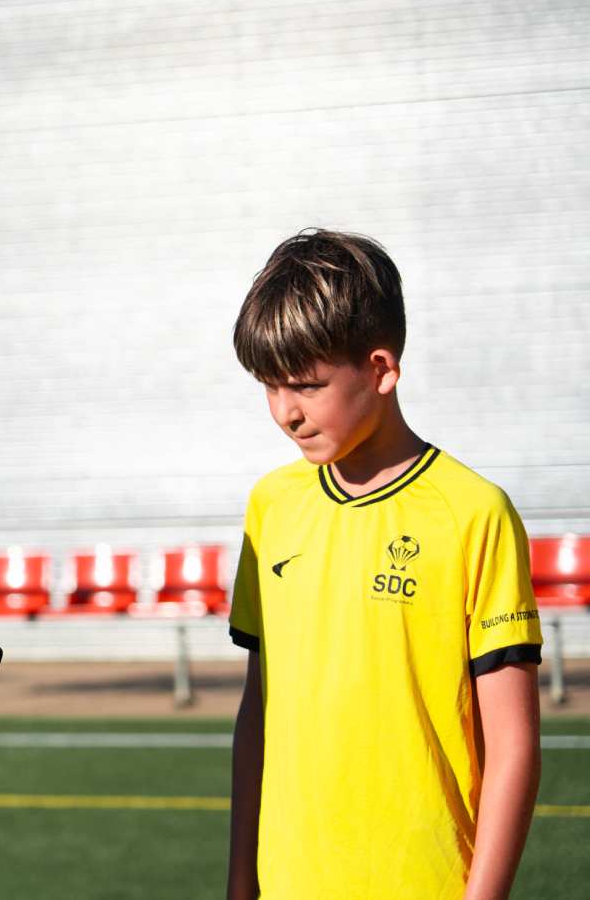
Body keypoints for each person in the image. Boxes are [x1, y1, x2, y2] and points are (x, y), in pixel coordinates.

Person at [224, 230, 541, 900]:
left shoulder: (474, 512)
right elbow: (258, 707)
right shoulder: (271, 505)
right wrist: (241, 876)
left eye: (306, 385)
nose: (286, 412)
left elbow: (513, 744)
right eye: (269, 386)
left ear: (380, 368)